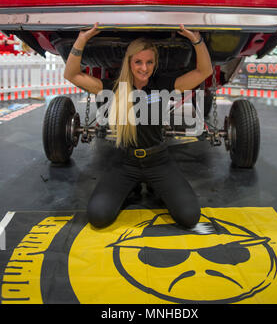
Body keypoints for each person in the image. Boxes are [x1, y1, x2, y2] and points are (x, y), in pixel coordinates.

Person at [64, 23, 213, 229]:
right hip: (125, 163)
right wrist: (81, 39)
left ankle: (154, 187)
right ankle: (132, 189)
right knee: (98, 217)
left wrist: (196, 40)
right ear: (129, 62)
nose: (144, 68)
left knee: (189, 217)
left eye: (149, 62)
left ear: (155, 63)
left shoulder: (163, 83)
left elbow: (204, 71)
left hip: (159, 162)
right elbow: (71, 75)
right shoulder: (116, 88)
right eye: (138, 62)